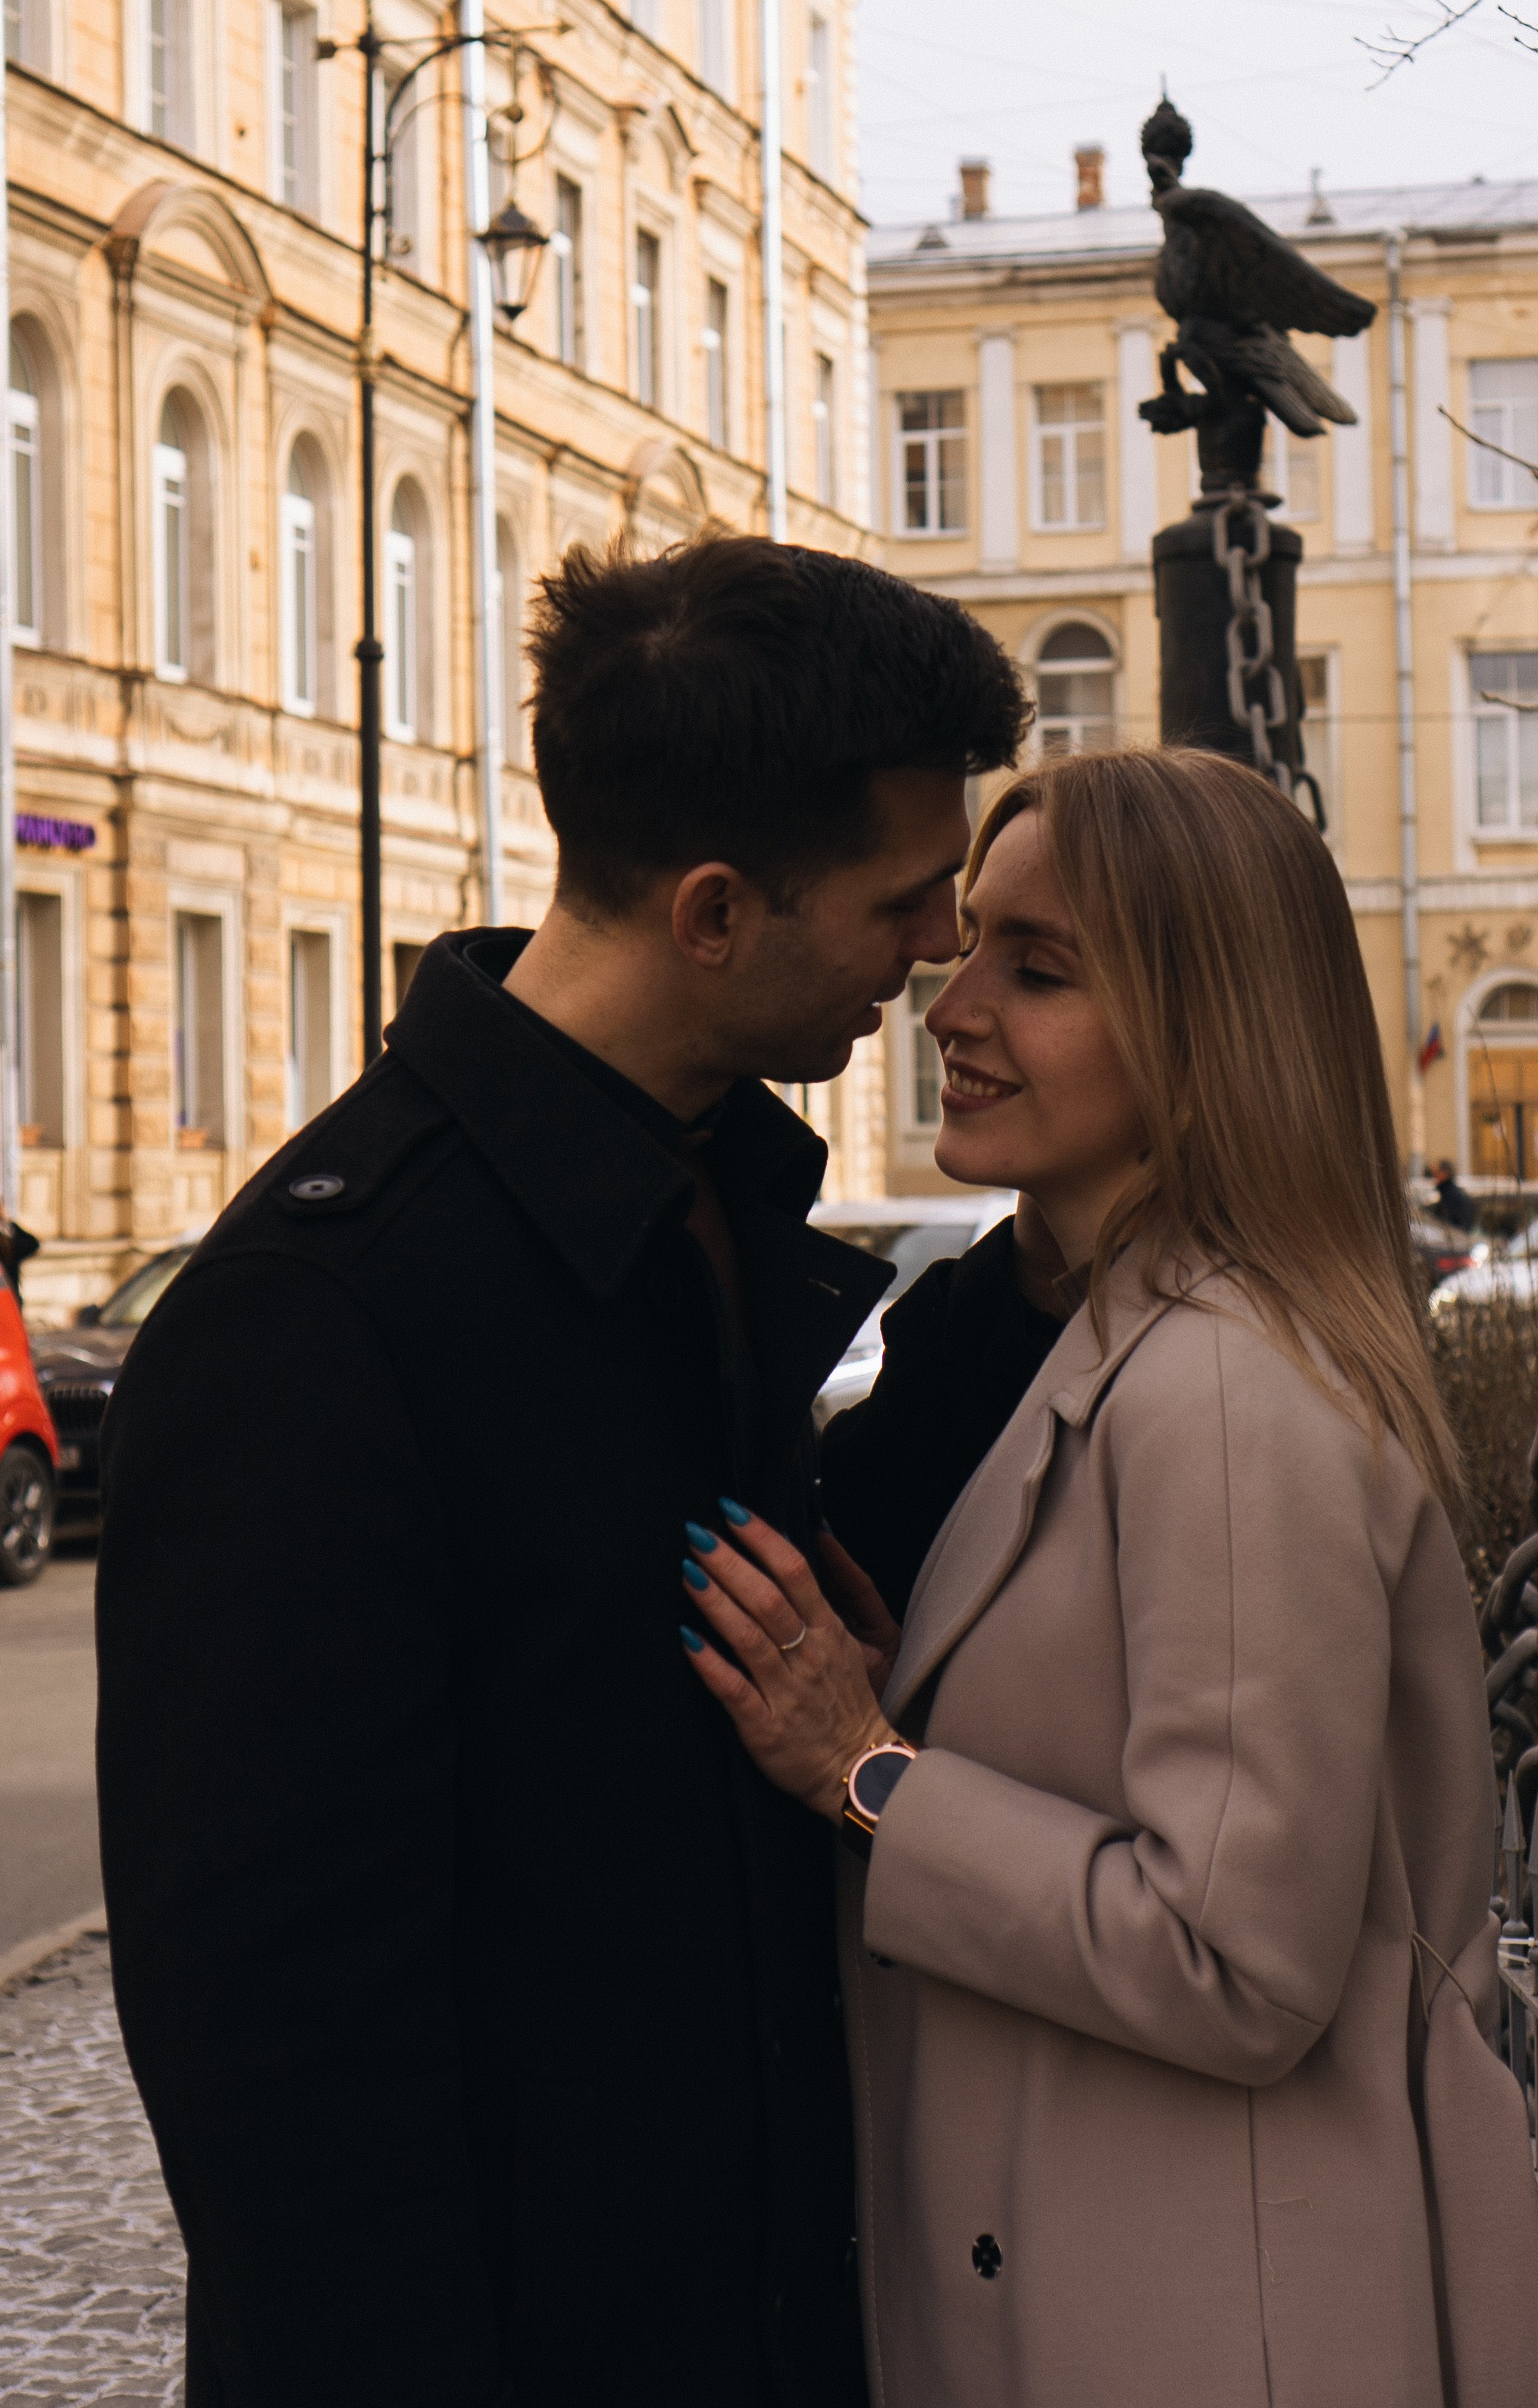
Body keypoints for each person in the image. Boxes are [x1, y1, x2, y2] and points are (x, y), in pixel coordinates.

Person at [94, 536, 1063, 2408]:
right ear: (713, 911)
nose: (935, 943)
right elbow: (275, 2061)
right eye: (901, 896)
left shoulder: (686, 1190)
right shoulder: (322, 1309)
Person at [684, 747, 1538, 2408]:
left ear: (1200, 1022)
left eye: (1038, 967)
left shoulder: (1225, 1389)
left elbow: (1231, 1959)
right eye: (961, 952)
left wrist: (864, 1767)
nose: (950, 1006)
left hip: (1209, 2321)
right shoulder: (1121, 1337)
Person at [1431, 1154, 1480, 1233]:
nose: (1434, 1177)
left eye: (1436, 1173)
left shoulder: (1452, 1196)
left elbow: (1455, 1222)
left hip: (1453, 1240)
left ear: (1445, 1174)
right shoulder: (1447, 1194)